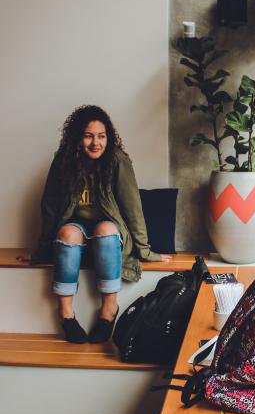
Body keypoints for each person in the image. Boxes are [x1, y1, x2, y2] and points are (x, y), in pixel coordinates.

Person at [32, 105, 172, 344]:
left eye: (101, 136)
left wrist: (145, 250)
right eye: (88, 135)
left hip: (109, 228)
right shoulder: (64, 160)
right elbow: (50, 204)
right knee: (67, 233)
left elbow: (132, 207)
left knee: (105, 230)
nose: (95, 142)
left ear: (108, 137)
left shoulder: (117, 160)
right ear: (77, 138)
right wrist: (43, 247)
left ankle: (108, 311)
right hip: (76, 226)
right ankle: (66, 314)